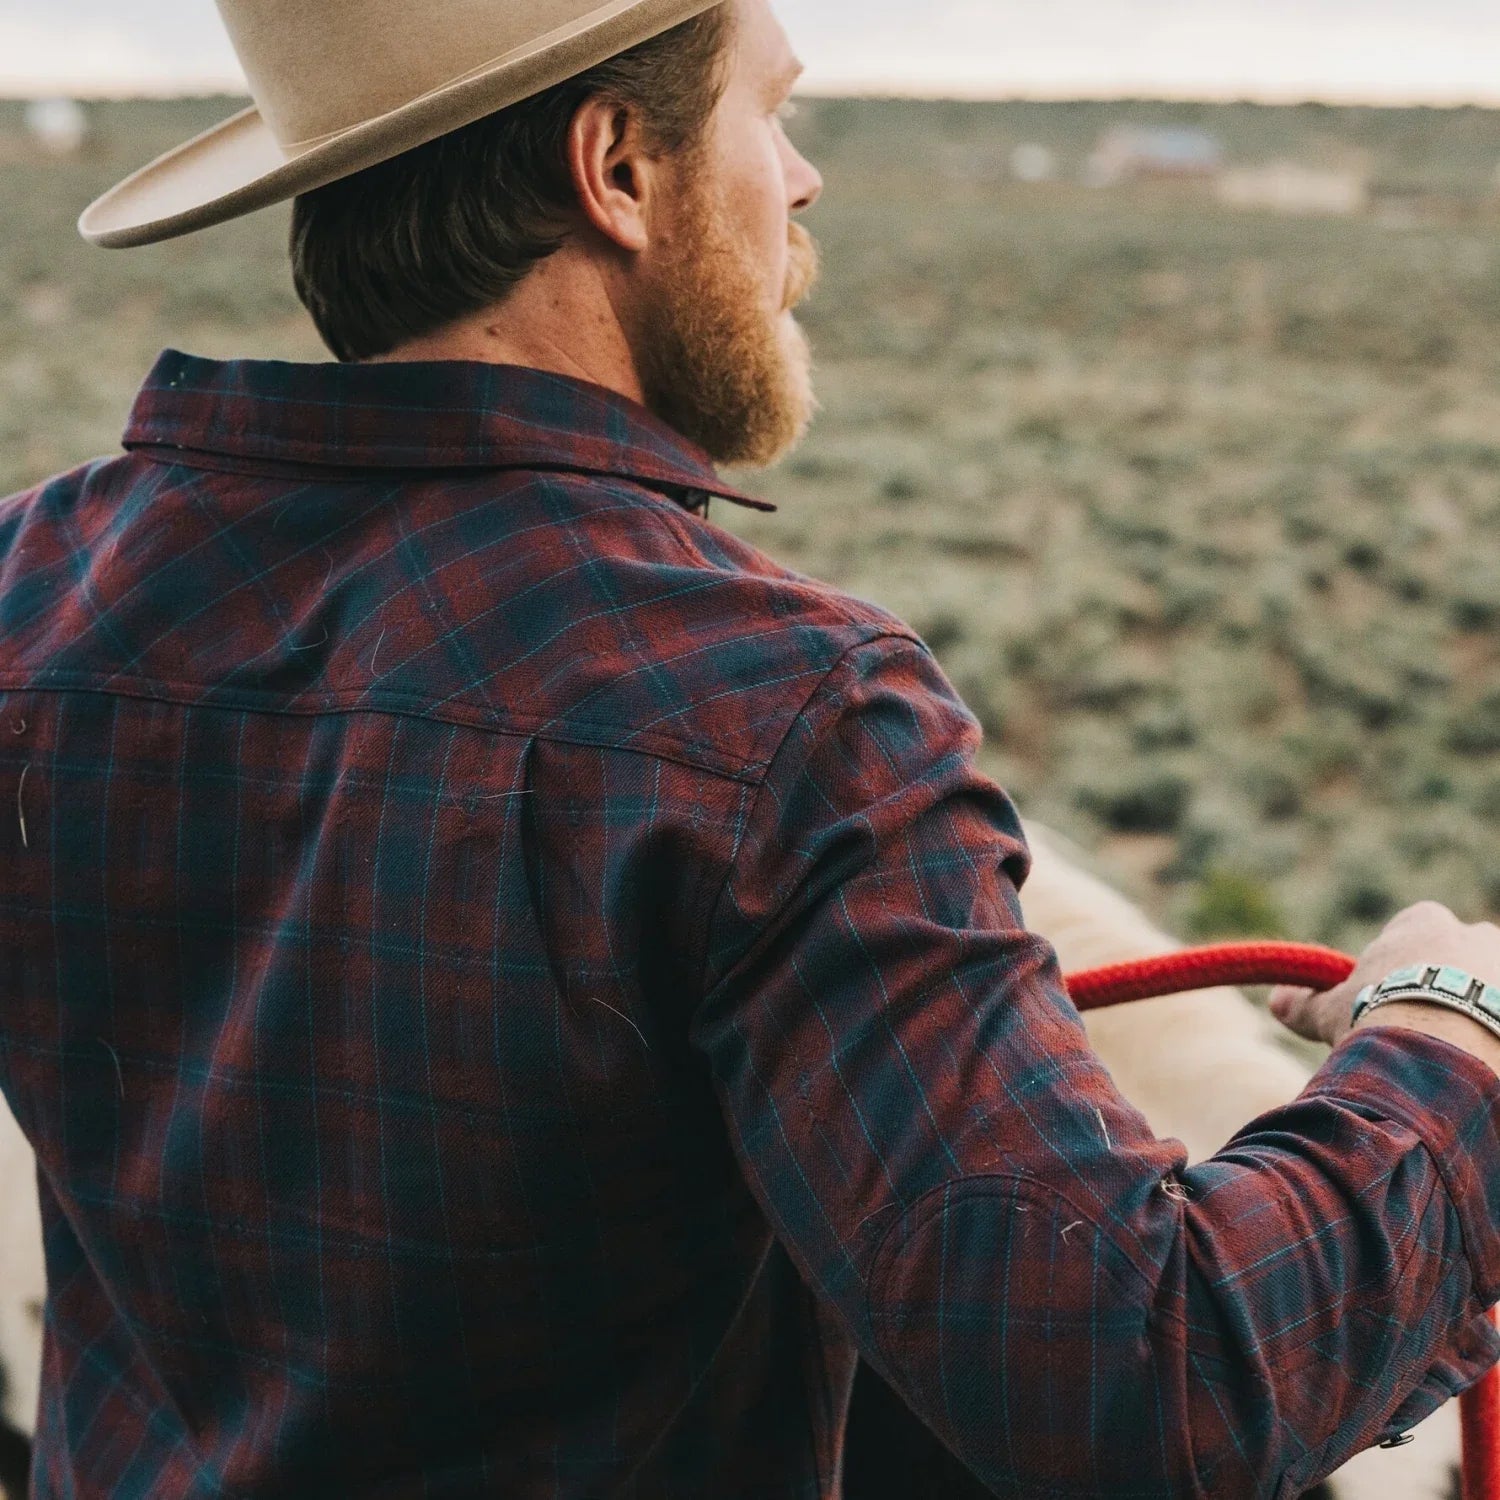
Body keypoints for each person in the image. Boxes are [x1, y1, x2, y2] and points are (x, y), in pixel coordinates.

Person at [3, 0, 1499, 1494]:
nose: (802, 180)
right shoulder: (776, 711)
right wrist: (1447, 1048)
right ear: (619, 173)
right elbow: (1147, 1385)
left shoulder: (32, 592)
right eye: (768, 114)